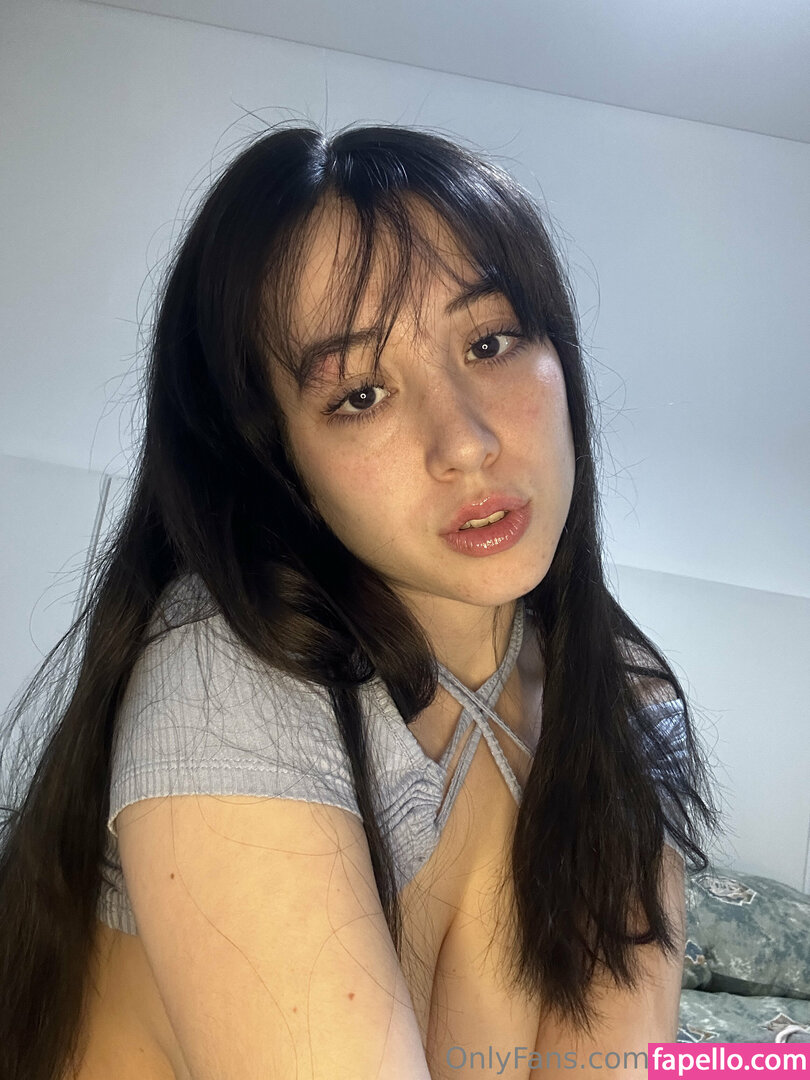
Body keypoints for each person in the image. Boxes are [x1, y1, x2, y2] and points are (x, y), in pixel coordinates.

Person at [0, 123, 719, 1080]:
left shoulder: (623, 699)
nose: (465, 443)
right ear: (276, 460)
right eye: (361, 395)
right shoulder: (228, 677)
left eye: (491, 341)